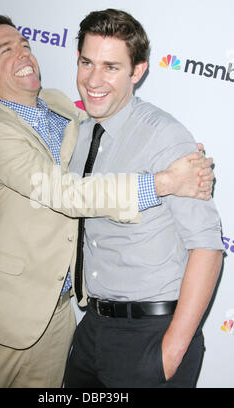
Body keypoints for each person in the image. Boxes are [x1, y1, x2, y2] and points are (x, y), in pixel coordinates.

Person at [0, 15, 214, 388]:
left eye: (24, 45)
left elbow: (117, 120)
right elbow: (66, 194)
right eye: (6, 50)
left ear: (137, 70)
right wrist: (164, 182)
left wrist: (175, 348)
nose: (24, 55)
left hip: (60, 325)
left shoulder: (65, 109)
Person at [64, 9, 224, 388]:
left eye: (111, 67)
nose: (93, 80)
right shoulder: (80, 134)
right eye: (87, 62)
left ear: (137, 72)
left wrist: (171, 351)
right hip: (92, 328)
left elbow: (207, 247)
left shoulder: (166, 138)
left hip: (152, 336)